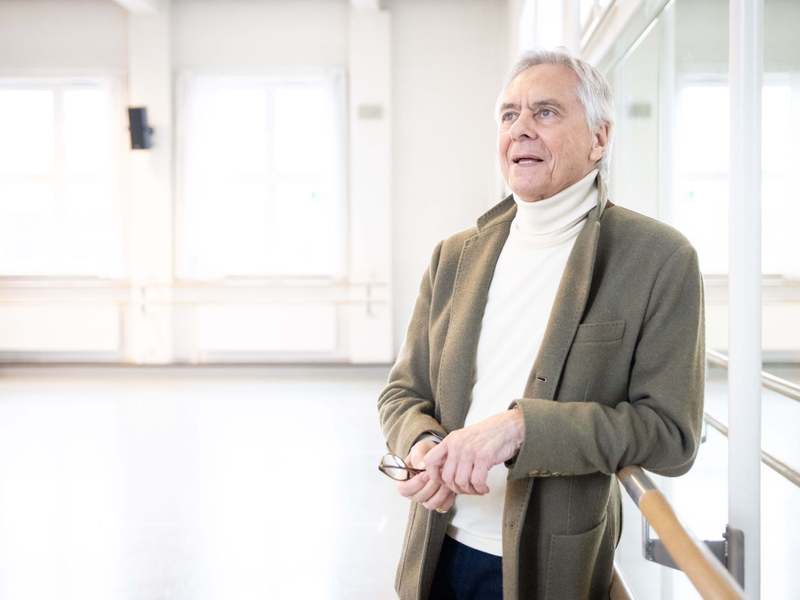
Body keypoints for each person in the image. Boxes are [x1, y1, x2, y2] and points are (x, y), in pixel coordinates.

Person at [377, 46, 705, 600]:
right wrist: (424, 441)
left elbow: (671, 436)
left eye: (546, 113)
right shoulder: (454, 256)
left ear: (599, 140)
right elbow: (403, 392)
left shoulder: (658, 259)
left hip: (552, 567)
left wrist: (522, 428)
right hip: (438, 550)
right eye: (509, 115)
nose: (521, 129)